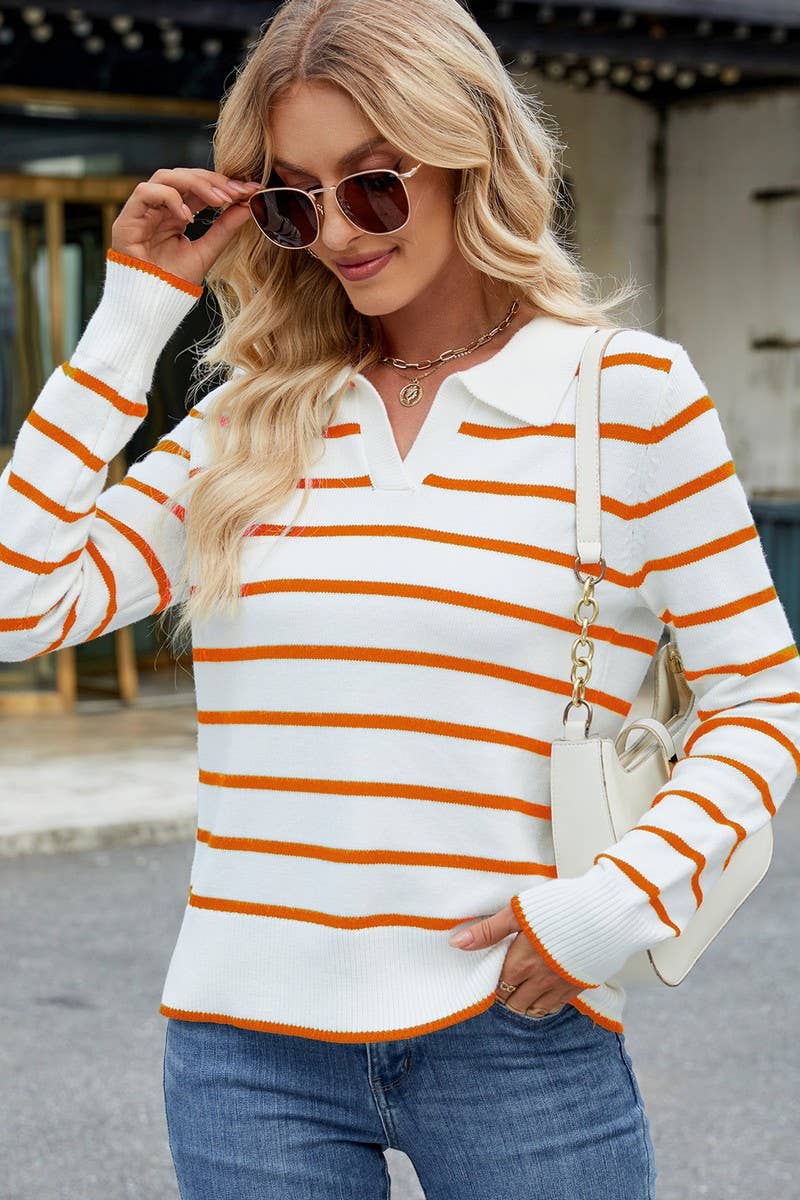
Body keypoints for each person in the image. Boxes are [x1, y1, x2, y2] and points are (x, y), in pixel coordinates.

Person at [2, 0, 798, 1197]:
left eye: (373, 185)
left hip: (516, 1031)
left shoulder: (623, 397)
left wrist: (609, 908)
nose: (334, 232)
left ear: (469, 155)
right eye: (292, 199)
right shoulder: (246, 420)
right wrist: (133, 314)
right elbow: (20, 604)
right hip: (244, 1048)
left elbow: (758, 700)